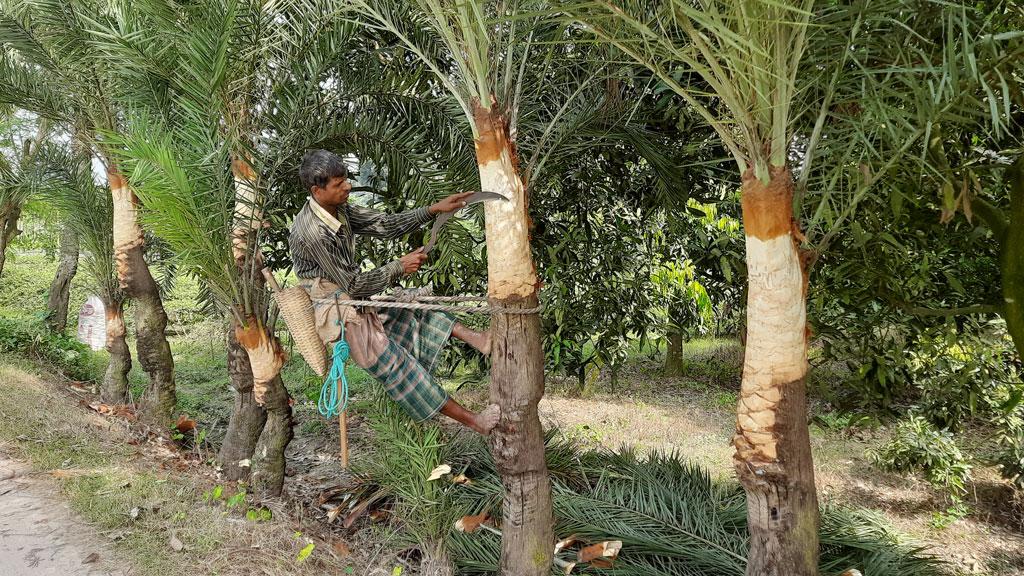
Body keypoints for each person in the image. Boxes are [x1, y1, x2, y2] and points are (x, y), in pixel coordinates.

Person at [289, 149, 500, 434]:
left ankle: (480, 340)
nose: (347, 187)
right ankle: (476, 422)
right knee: (398, 369)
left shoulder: (338, 209)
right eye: (339, 185)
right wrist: (399, 267)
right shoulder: (313, 230)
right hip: (339, 312)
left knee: (415, 309)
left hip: (353, 297)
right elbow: (353, 285)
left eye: (346, 180)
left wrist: (433, 210)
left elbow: (384, 225)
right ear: (317, 190)